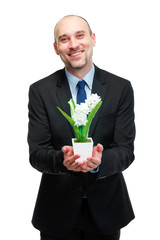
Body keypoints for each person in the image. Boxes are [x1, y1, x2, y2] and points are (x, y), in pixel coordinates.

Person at [28, 15, 135, 240]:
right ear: (56, 48)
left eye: (79, 35)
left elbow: (125, 150)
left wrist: (100, 162)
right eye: (64, 39)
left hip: (107, 212)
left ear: (92, 39)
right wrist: (63, 161)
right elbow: (37, 153)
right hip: (56, 212)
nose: (74, 44)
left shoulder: (120, 88)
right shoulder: (40, 91)